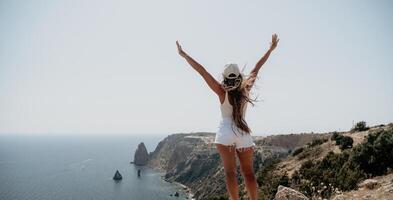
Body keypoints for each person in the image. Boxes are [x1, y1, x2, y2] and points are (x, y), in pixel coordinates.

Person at [176, 34, 279, 200]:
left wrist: (185, 55)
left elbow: (202, 72)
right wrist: (270, 50)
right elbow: (257, 68)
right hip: (243, 133)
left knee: (230, 173)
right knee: (249, 173)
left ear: (224, 77)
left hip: (225, 134)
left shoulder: (221, 91)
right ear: (239, 77)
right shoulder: (246, 89)